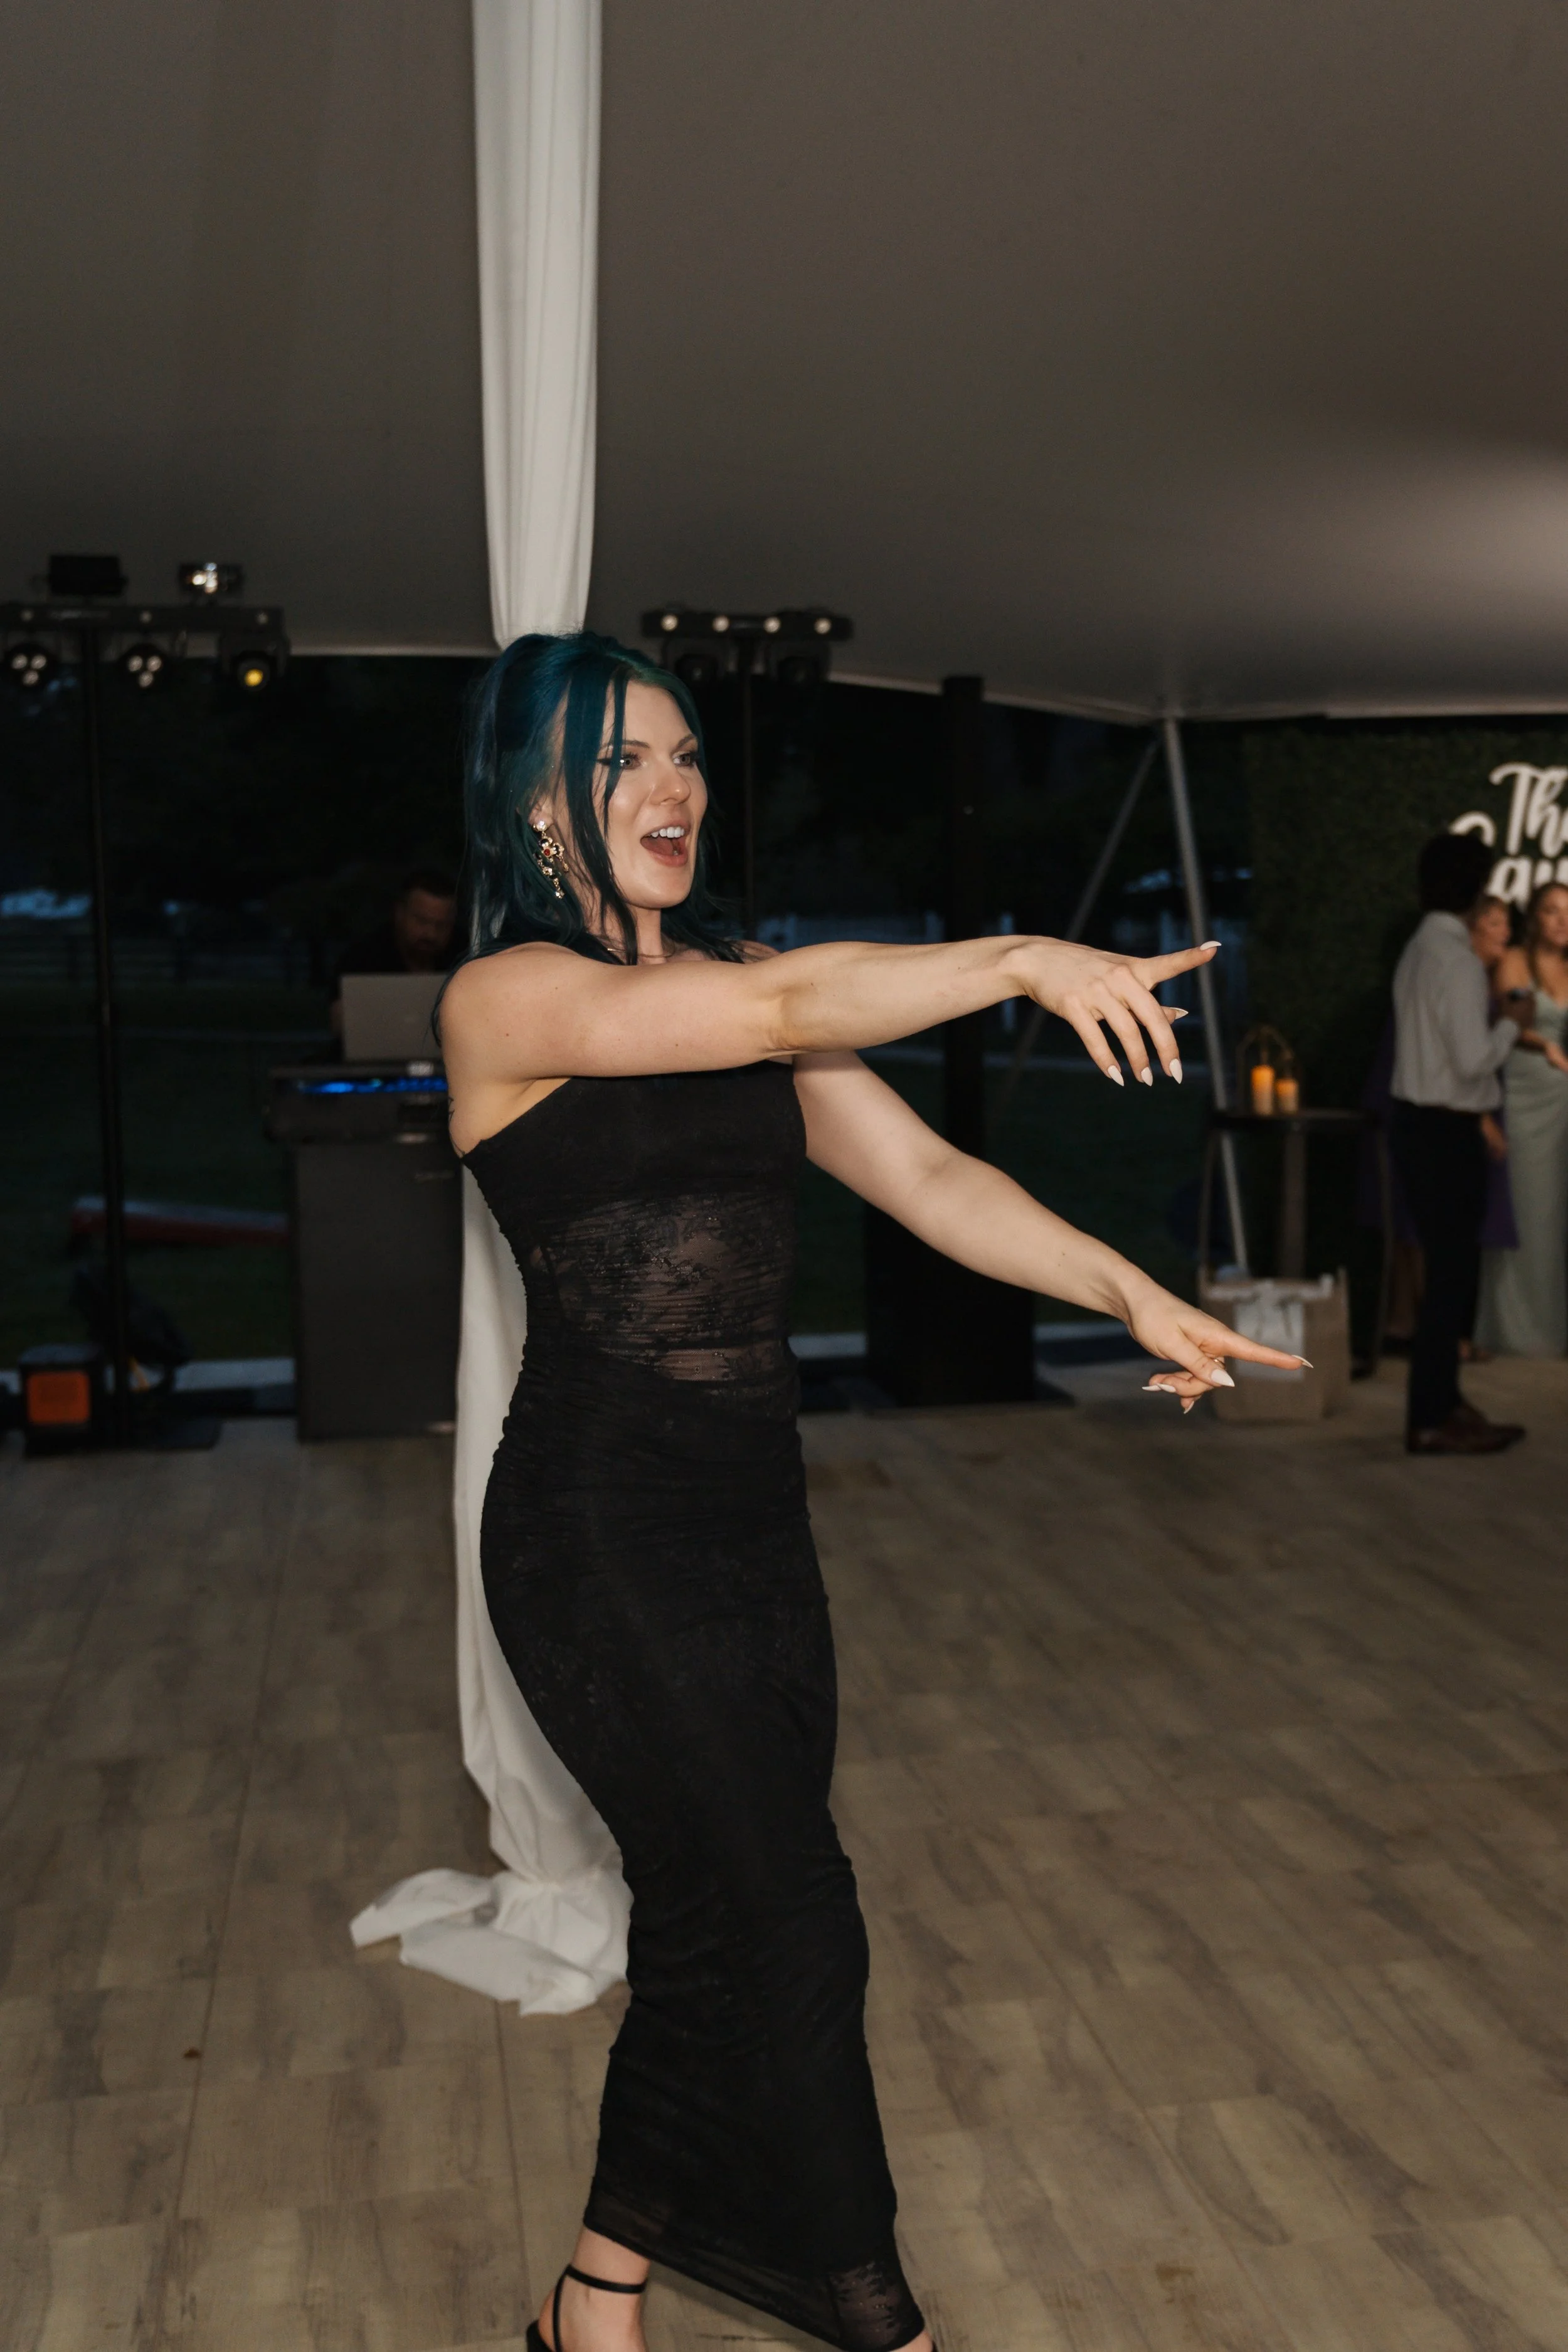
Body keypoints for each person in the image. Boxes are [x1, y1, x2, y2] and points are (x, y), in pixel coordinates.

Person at [437, 633, 1302, 2352]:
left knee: (720, 1912)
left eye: (688, 753)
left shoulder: (749, 982)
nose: (674, 787)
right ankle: (879, 2322)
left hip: (757, 1522)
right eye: (622, 760)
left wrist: (1129, 1288)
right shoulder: (507, 998)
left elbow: (926, 1172)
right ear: (537, 800)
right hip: (599, 1528)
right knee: (791, 1915)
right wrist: (1024, 957)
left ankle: (591, 2299)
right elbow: (778, 1011)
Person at [1389, 833, 1525, 1454]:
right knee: (1452, 1278)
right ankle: (1432, 1414)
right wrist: (1511, 1027)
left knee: (1445, 1274)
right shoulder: (1458, 960)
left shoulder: (1418, 948)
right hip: (1446, 1131)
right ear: (1474, 888)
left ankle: (1443, 1403)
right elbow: (1473, 1060)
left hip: (1416, 1124)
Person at [1475, 879, 1568, 1355]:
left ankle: (1555, 1330)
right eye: (1552, 910)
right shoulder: (1515, 960)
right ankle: (1514, 1332)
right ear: (1536, 916)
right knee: (1526, 1208)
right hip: (1525, 1092)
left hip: (1563, 1098)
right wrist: (1545, 1044)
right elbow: (1507, 1019)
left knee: (1558, 1214)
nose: (1563, 920)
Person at [329, 864, 458, 1037]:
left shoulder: (463, 958)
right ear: (399, 913)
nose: (431, 933)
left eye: (441, 925)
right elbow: (339, 1023)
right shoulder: (362, 958)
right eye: (421, 921)